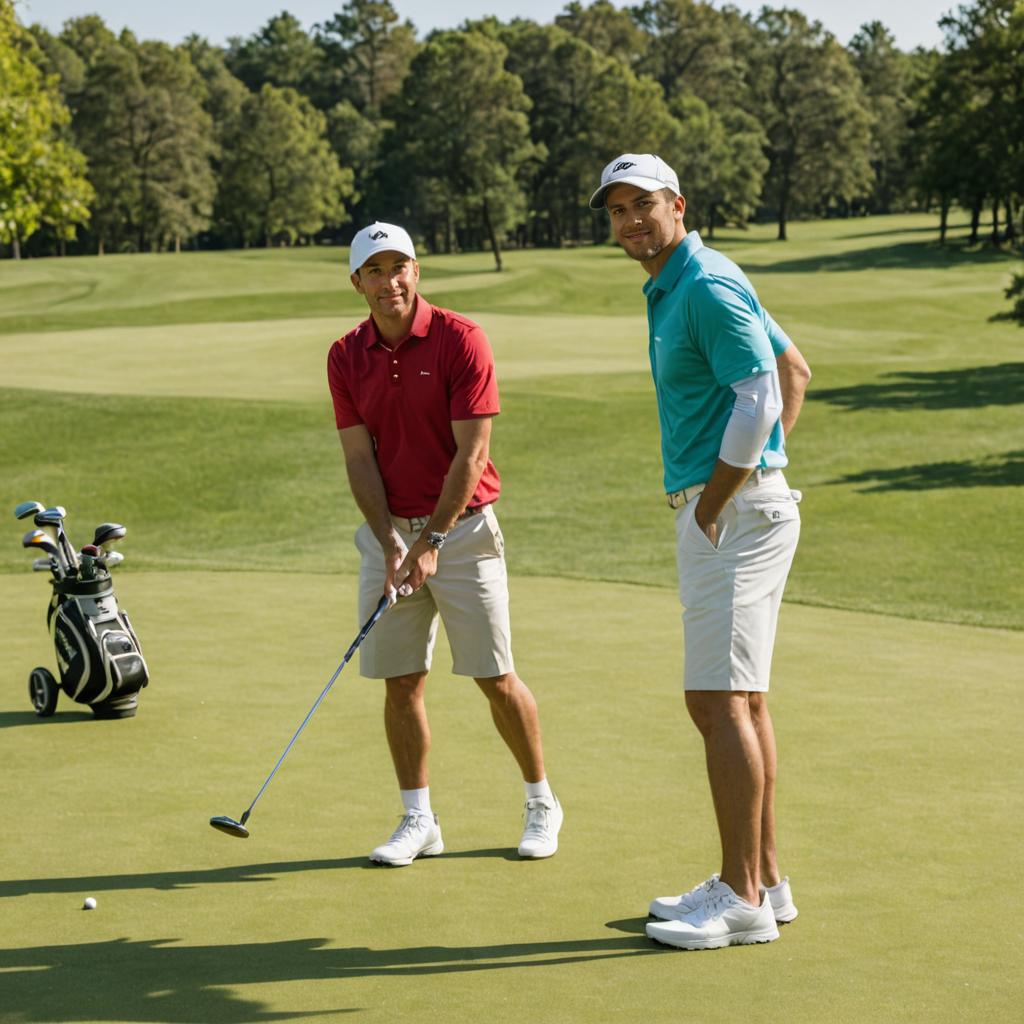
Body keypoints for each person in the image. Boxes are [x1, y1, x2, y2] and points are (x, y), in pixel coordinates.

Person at [589, 155, 812, 950]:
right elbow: (794, 369)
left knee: (717, 703)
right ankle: (768, 881)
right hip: (743, 506)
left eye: (642, 204)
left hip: (730, 513)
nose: (630, 221)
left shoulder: (706, 285)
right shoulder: (691, 278)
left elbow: (759, 395)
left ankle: (741, 898)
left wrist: (729, 494)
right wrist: (762, 472)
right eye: (616, 211)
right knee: (740, 702)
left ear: (677, 204)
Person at [326, 221, 563, 867]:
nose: (389, 280)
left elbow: (472, 452)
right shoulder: (345, 355)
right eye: (375, 271)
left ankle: (542, 801)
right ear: (357, 283)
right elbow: (358, 459)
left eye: (399, 266)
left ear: (417, 271)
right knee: (401, 683)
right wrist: (388, 544)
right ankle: (418, 820)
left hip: (464, 534)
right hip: (392, 536)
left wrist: (429, 541)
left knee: (494, 676)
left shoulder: (462, 339)